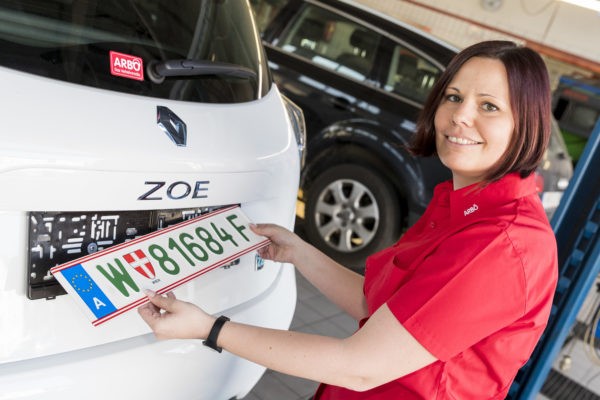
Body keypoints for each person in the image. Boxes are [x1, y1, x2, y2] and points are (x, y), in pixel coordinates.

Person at [138, 40, 558, 399]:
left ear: (527, 124)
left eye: (489, 106)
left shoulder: (501, 243)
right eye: (453, 96)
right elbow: (375, 304)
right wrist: (301, 253)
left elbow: (361, 367)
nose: (461, 116)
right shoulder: (461, 205)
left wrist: (210, 329)